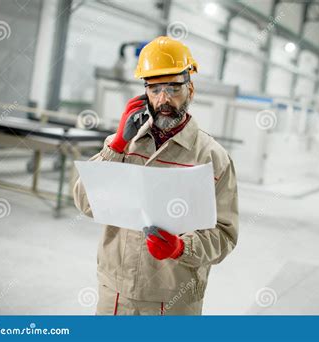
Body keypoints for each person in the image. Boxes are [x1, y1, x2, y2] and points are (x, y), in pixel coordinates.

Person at [73, 36, 238, 315]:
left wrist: (180, 248)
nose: (164, 99)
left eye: (173, 88)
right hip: (114, 294)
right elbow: (85, 203)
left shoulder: (212, 158)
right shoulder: (122, 144)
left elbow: (225, 236)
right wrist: (116, 147)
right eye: (155, 88)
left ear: (190, 90)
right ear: (144, 94)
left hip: (174, 300)